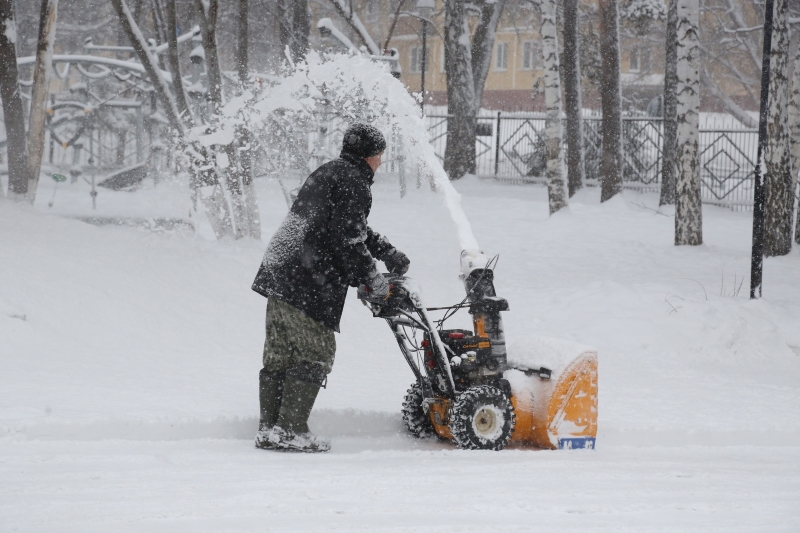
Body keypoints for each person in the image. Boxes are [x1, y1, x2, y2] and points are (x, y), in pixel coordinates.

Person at [251, 123, 410, 453]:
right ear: (368, 156)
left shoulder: (331, 172)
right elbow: (348, 239)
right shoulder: (354, 183)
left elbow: (347, 226)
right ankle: (291, 430)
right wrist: (375, 281)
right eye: (379, 155)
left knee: (281, 354)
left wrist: (385, 251)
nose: (380, 162)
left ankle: (271, 429)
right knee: (315, 352)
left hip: (281, 269)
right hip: (307, 278)